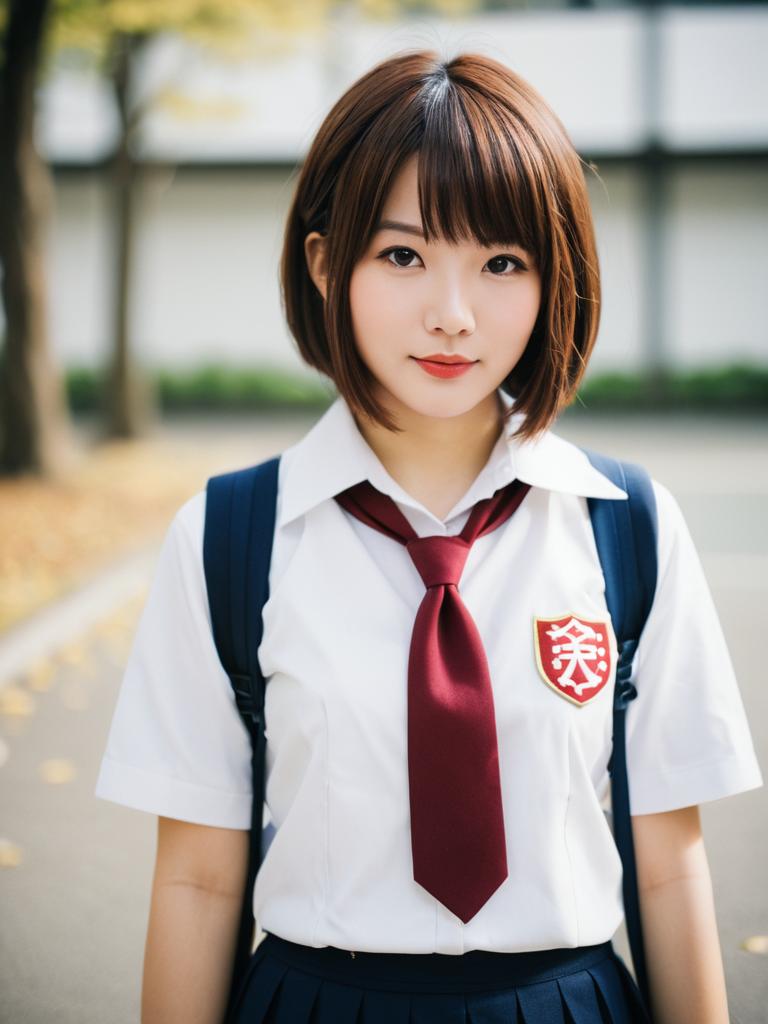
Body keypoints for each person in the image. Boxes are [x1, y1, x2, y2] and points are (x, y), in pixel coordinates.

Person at [95, 50, 763, 1024]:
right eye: (403, 255)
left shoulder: (628, 528)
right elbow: (196, 879)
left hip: (566, 1002)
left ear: (551, 278)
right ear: (328, 263)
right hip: (315, 1000)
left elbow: (669, 870)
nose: (452, 316)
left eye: (501, 263)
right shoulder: (230, 538)